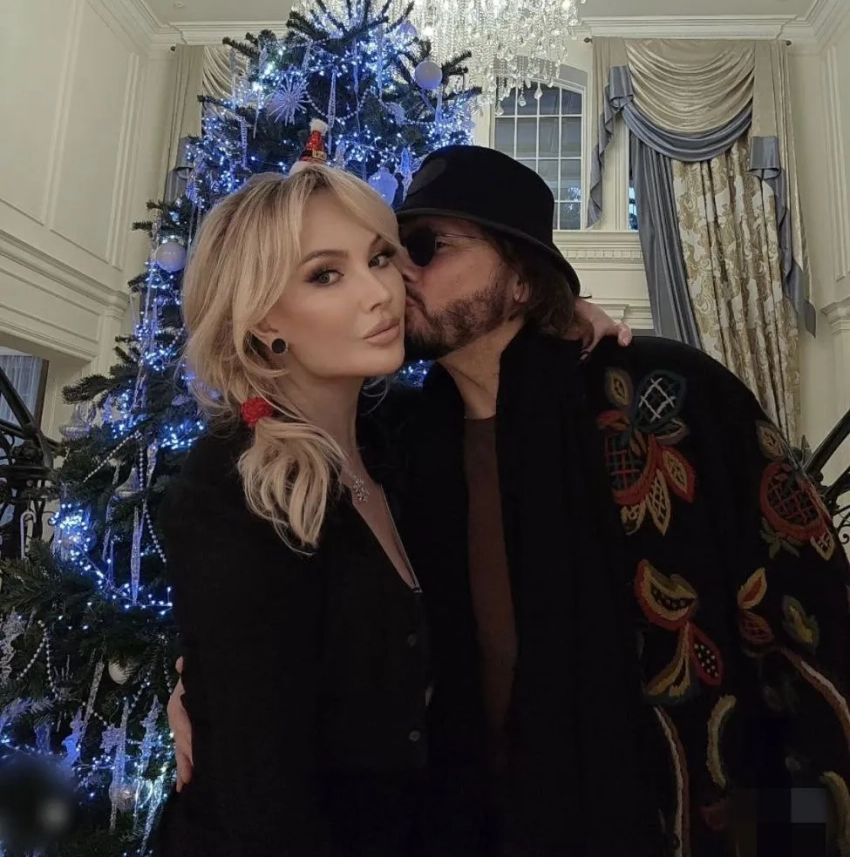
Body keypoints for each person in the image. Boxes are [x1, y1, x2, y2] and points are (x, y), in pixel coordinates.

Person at [169, 145, 850, 855]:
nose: (395, 279)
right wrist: (198, 692)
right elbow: (282, 628)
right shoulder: (399, 441)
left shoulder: (667, 400)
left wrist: (799, 834)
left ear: (521, 278)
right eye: (391, 253)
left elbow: (813, 629)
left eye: (421, 249)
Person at [156, 156, 624, 857]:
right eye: (325, 275)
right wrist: (201, 690)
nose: (382, 291)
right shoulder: (232, 485)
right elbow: (263, 797)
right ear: (264, 322)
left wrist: (559, 316)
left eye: (380, 258)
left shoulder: (401, 438)